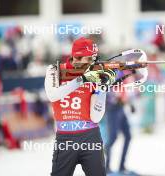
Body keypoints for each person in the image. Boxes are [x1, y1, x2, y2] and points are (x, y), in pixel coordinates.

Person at [45, 37, 116, 176]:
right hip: (64, 139)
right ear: (76, 57)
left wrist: (102, 89)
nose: (93, 63)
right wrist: (81, 79)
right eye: (89, 59)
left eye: (94, 59)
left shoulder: (95, 74)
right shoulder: (54, 70)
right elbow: (53, 95)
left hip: (91, 137)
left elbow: (96, 117)